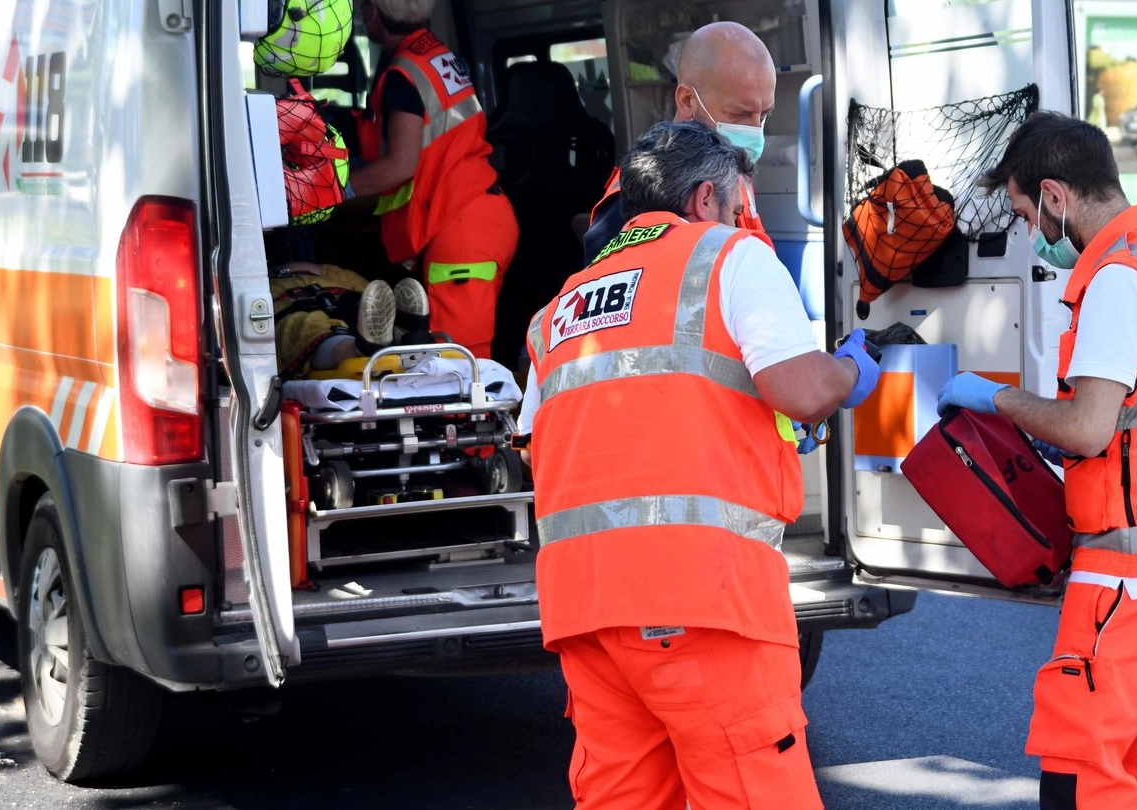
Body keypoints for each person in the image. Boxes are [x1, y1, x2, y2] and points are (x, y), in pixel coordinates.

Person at [521, 121, 880, 809]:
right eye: (740, 205)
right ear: (708, 198)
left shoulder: (560, 306)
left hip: (586, 611)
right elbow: (801, 390)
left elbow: (556, 442)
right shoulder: (728, 257)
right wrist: (848, 370)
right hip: (702, 600)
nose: (744, 218)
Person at [938, 111, 1137, 809]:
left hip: (1128, 565)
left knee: (1079, 764)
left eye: (1025, 212)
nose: (1032, 231)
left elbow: (1089, 428)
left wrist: (998, 400)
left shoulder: (1120, 280)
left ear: (1055, 195)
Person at [349, 0, 518, 359]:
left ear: (373, 14)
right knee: (453, 359)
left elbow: (400, 165)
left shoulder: (403, 75)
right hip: (477, 215)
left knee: (456, 364)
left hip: (461, 228)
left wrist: (335, 190)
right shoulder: (436, 56)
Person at [582, 21, 774, 265]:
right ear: (686, 100)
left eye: (765, 114)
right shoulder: (641, 191)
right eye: (738, 115)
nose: (755, 130)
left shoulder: (728, 168)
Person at [270, 262, 428, 376]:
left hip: (338, 300)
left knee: (362, 305)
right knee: (305, 325)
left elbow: (374, 293)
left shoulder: (331, 272)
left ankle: (375, 345)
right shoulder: (266, 283)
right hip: (296, 302)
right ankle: (407, 338)